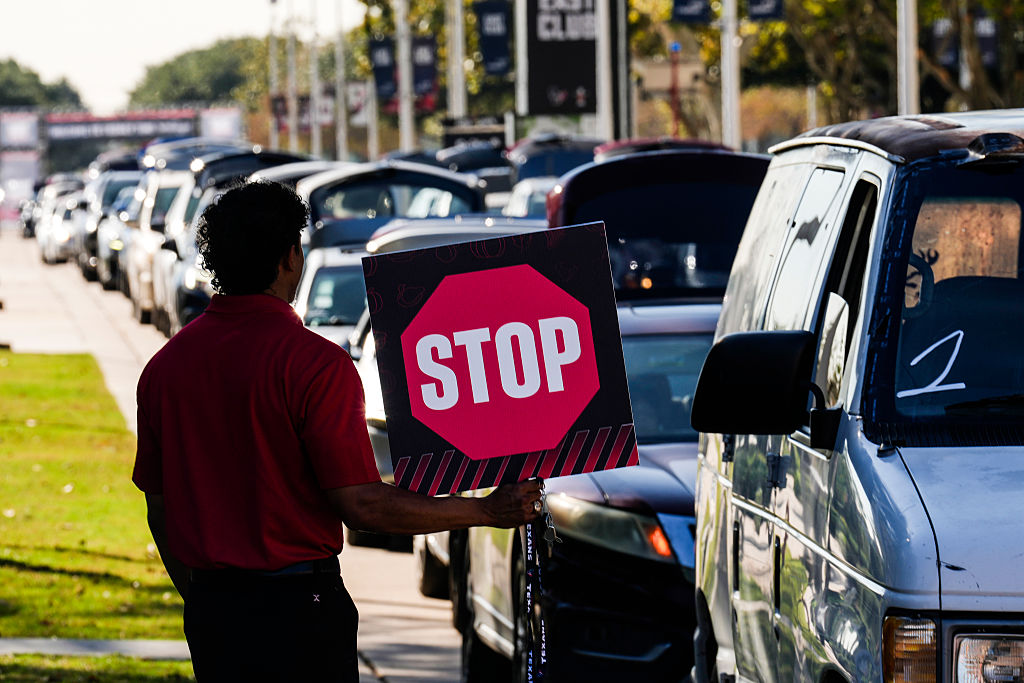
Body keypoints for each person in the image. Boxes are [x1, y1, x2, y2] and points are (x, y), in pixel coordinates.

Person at [132, 180, 542, 682]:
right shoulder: (316, 363)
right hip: (300, 608)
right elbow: (361, 505)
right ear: (290, 257)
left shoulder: (165, 368)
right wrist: (483, 509)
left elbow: (160, 508)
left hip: (214, 610)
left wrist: (202, 596)